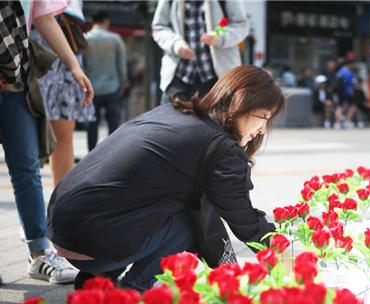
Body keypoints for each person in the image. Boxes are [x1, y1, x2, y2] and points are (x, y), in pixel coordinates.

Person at [47, 65, 284, 292]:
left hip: (63, 227)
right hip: (93, 242)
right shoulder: (220, 147)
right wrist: (280, 248)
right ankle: (133, 290)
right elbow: (241, 217)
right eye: (263, 116)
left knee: (169, 204)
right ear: (241, 102)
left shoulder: (175, 111)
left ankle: (97, 281)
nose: (263, 129)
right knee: (192, 223)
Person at [0, 0, 94, 287]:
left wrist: (73, 65)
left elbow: (43, 16)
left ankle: (40, 251)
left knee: (28, 167)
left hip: (17, 74)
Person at [31, 0, 95, 185]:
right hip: (31, 48)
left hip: (64, 50)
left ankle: (60, 205)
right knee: (23, 137)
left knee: (63, 137)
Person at [152, 0, 249, 103]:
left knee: (221, 118)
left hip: (220, 81)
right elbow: (159, 27)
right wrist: (176, 44)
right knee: (166, 118)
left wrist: (220, 37)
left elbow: (241, 25)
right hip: (177, 79)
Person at [83, 11, 127, 151]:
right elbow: (121, 64)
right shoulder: (115, 39)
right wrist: (123, 82)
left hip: (92, 89)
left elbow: (81, 65)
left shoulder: (85, 38)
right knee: (113, 124)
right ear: (106, 21)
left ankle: (91, 154)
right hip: (112, 88)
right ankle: (112, 153)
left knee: (92, 124)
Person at [333, 59, 357, 129]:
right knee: (353, 106)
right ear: (349, 64)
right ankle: (348, 121)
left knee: (339, 106)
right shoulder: (348, 72)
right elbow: (352, 82)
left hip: (339, 92)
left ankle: (337, 123)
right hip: (347, 92)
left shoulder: (339, 72)